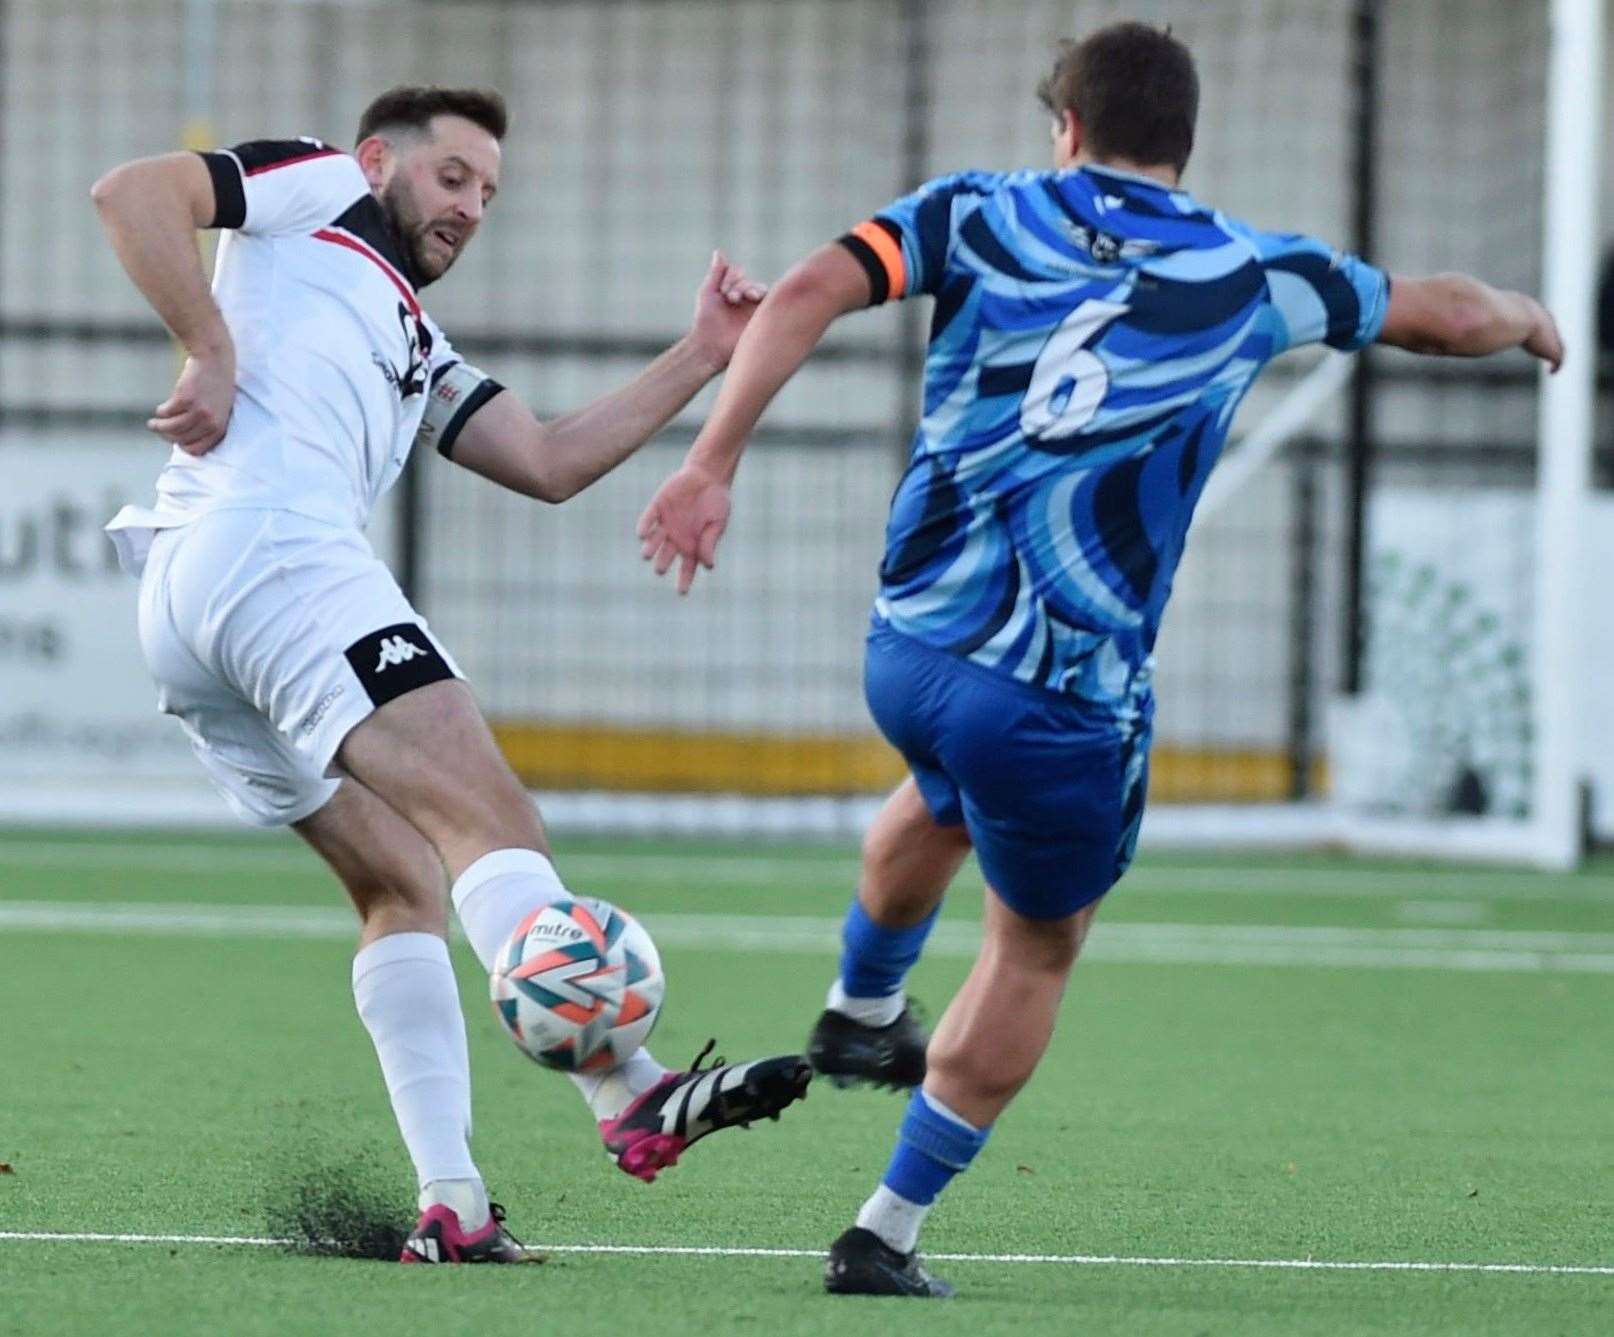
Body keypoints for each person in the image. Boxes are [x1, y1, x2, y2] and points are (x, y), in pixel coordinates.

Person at [637, 23, 1564, 1297]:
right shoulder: (1249, 268)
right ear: (1185, 142)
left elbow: (802, 291)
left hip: (908, 652)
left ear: (1063, 126)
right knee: (1035, 945)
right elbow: (1439, 314)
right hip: (1058, 698)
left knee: (941, 794)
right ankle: (884, 1230)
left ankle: (863, 1008)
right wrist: (1525, 315)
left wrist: (708, 460)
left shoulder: (974, 212)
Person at [93, 85, 812, 1266]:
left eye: (487, 192)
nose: (471, 206)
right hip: (275, 552)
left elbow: (544, 459)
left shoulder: (414, 340)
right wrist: (210, 351)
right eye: (452, 176)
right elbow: (133, 194)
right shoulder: (319, 185)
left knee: (402, 882)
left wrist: (703, 355)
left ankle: (455, 1202)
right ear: (383, 159)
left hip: (188, 604)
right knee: (489, 817)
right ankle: (626, 1086)